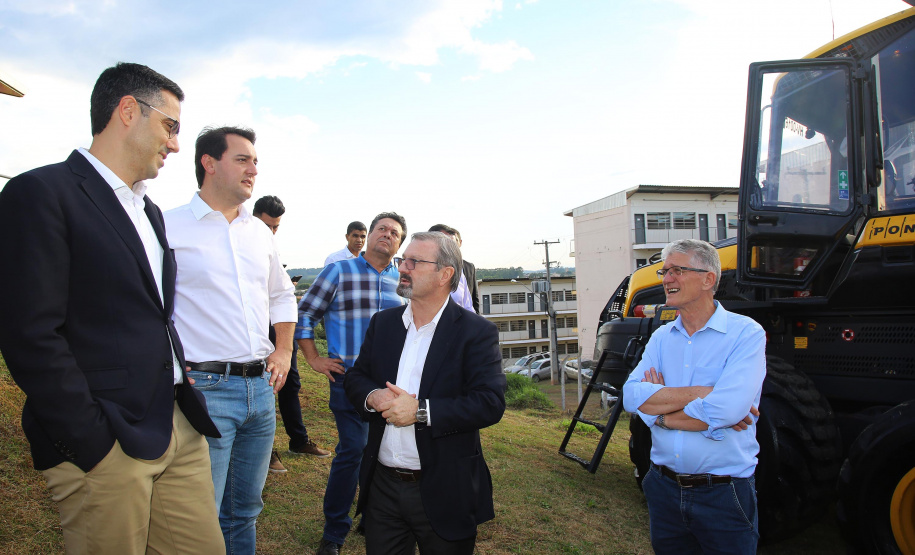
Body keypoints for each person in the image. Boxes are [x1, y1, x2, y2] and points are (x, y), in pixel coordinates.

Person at [0, 62, 224, 553]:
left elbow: (150, 313)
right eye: (171, 126)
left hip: (177, 426)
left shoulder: (149, 212)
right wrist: (92, 441)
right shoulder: (40, 193)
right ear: (128, 111)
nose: (175, 144)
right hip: (107, 442)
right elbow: (29, 333)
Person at [166, 126, 298, 554]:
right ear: (209, 163)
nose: (253, 170)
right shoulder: (167, 227)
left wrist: (282, 351)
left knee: (245, 510)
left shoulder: (258, 232)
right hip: (204, 392)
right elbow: (146, 304)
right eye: (243, 159)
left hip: (260, 392)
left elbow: (281, 295)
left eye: (256, 162)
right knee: (200, 515)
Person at [345, 231, 506, 554]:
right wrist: (374, 396)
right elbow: (357, 377)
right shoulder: (384, 323)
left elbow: (490, 403)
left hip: (446, 487)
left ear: (445, 274)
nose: (402, 267)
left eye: (414, 262)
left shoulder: (476, 333)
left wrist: (420, 411)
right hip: (383, 488)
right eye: (403, 260)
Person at [622, 239, 766, 555]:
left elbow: (727, 409)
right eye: (665, 271)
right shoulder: (661, 337)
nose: (666, 279)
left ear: (708, 279)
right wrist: (704, 394)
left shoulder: (746, 334)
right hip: (663, 490)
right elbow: (632, 396)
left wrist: (660, 413)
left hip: (723, 496)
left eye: (677, 270)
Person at [296, 212, 407, 555]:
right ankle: (334, 532)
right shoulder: (339, 271)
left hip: (391, 386)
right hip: (346, 380)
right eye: (381, 229)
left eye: (395, 233)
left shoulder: (404, 280)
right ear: (368, 235)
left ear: (400, 244)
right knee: (354, 448)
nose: (387, 235)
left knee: (384, 452)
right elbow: (305, 314)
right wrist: (314, 358)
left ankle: (372, 516)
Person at [252, 196, 331, 474]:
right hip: (254, 333)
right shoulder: (240, 245)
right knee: (263, 388)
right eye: (267, 225)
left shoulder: (270, 247)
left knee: (290, 384)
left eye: (276, 227)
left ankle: (298, 440)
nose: (271, 232)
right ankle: (266, 450)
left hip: (281, 332)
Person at [428, 224, 480, 313]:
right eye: (444, 242)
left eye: (451, 243)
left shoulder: (460, 274)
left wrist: (477, 325)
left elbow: (470, 307)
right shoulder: (418, 269)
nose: (449, 248)